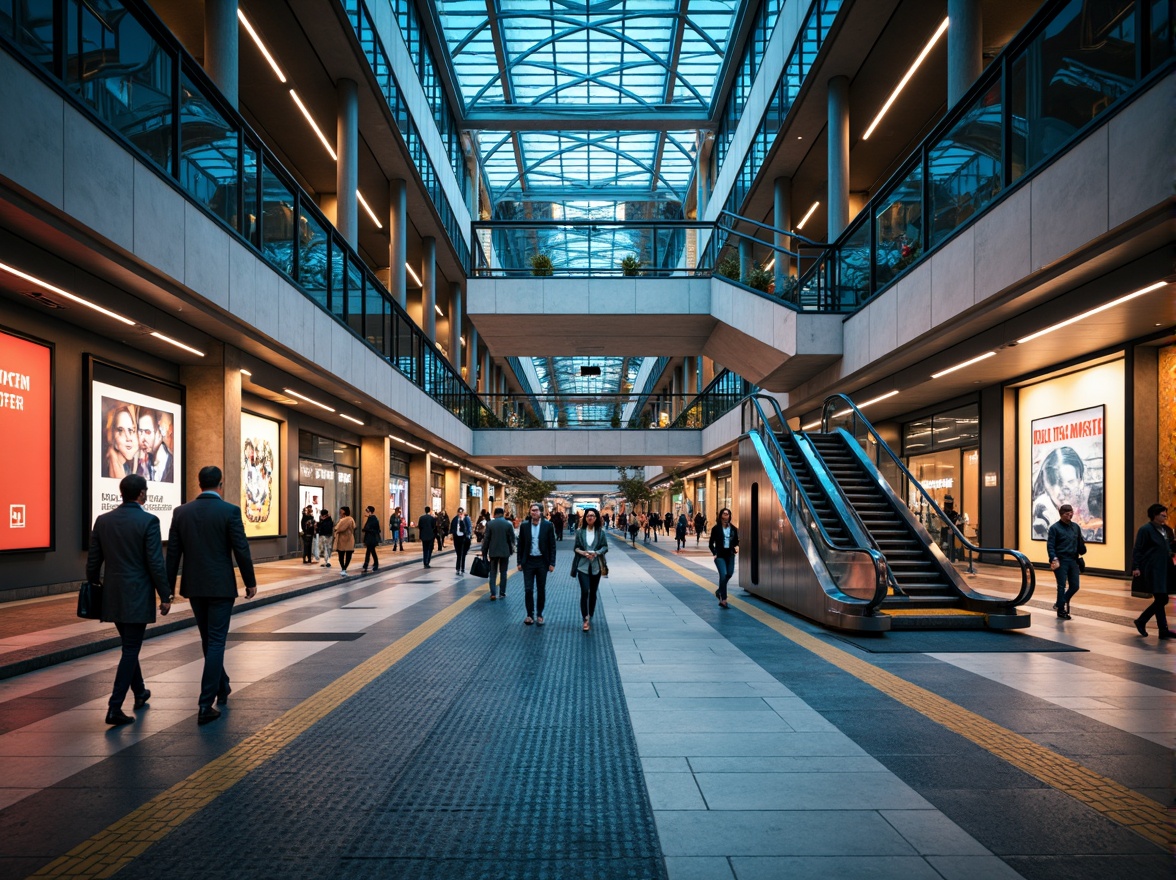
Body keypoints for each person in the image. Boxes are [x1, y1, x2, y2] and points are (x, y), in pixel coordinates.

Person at [166, 465, 256, 725]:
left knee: (208, 638)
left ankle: (223, 685)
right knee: (216, 641)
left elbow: (173, 555)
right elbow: (241, 549)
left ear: (199, 483)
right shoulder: (230, 511)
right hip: (221, 587)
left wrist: (167, 591)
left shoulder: (181, 512)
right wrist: (250, 582)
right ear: (221, 483)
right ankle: (205, 704)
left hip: (194, 586)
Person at [87, 473, 172, 725]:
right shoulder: (149, 521)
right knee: (131, 648)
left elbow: (93, 562)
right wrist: (164, 593)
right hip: (137, 595)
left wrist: (95, 584)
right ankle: (114, 707)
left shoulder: (103, 521)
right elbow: (155, 562)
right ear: (142, 494)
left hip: (112, 594)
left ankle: (140, 691)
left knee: (128, 644)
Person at [1131, 503, 1174, 639]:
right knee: (1162, 598)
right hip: (1153, 568)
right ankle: (1141, 621)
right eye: (1162, 514)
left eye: (1165, 513)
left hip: (1165, 567)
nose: (1165, 516)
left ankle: (1163, 630)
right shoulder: (1146, 529)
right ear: (1155, 515)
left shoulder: (1166, 529)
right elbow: (1138, 549)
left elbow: (1170, 546)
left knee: (1161, 598)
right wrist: (1136, 567)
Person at [517, 502, 557, 625]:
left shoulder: (548, 525)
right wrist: (519, 562)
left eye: (536, 510)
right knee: (528, 589)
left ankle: (539, 614)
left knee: (541, 589)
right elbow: (521, 545)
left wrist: (552, 563)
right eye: (532, 510)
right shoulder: (524, 526)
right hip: (528, 561)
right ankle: (529, 614)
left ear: (541, 512)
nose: (534, 512)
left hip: (542, 562)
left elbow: (552, 546)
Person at [572, 507, 609, 632]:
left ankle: (591, 612)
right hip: (582, 566)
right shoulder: (579, 532)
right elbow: (576, 548)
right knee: (585, 591)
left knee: (593, 592)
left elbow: (605, 547)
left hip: (595, 566)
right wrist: (583, 552)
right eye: (588, 515)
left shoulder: (600, 532)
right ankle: (585, 618)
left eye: (592, 515)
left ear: (596, 517)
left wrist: (596, 553)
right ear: (585, 517)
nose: (590, 517)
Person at [1047, 503, 1083, 620]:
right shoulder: (1054, 528)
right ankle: (1061, 610)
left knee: (1075, 585)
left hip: (1073, 560)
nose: (1070, 516)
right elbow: (1050, 545)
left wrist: (1082, 548)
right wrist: (1053, 558)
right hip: (1060, 560)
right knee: (1061, 585)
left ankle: (1059, 603)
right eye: (1067, 514)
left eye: (1071, 513)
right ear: (1061, 515)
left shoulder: (1075, 527)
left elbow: (1080, 542)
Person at [708, 508, 740, 609]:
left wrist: (737, 547)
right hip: (720, 556)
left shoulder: (734, 529)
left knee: (729, 573)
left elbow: (736, 542)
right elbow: (710, 543)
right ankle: (724, 599)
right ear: (721, 515)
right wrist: (714, 553)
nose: (726, 515)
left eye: (728, 514)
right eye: (724, 513)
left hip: (730, 555)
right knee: (723, 575)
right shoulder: (716, 529)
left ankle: (719, 591)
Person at [482, 507, 516, 600]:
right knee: (503, 572)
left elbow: (486, 539)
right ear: (503, 514)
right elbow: (512, 538)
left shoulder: (490, 524)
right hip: (505, 552)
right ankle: (502, 592)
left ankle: (493, 593)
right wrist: (511, 548)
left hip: (493, 552)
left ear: (495, 514)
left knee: (493, 573)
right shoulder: (508, 524)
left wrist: (484, 551)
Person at [136, 410, 173, 482]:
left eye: (147, 432)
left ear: (159, 433)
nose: (142, 438)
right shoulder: (144, 463)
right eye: (140, 431)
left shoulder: (172, 465)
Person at [104, 403, 138, 479]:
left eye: (131, 430)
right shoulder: (111, 467)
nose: (128, 437)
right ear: (112, 436)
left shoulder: (130, 466)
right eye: (120, 430)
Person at [334, 506, 356, 576]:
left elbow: (338, 528)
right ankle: (343, 568)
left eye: (341, 510)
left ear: (345, 511)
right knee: (341, 554)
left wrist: (337, 530)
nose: (340, 512)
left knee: (347, 554)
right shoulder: (343, 519)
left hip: (347, 538)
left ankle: (344, 568)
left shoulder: (348, 519)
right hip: (342, 539)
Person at [450, 506, 473, 575]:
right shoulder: (455, 519)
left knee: (463, 554)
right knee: (458, 554)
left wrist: (468, 535)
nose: (460, 514)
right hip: (457, 538)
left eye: (461, 513)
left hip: (464, 538)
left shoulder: (466, 519)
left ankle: (462, 567)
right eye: (459, 513)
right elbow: (452, 527)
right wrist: (452, 534)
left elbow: (468, 528)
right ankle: (458, 568)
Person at [361, 505, 382, 573]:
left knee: (369, 551)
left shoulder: (372, 519)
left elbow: (368, 528)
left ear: (370, 511)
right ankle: (375, 563)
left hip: (371, 538)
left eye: (367, 511)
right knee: (372, 551)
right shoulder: (372, 518)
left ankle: (366, 565)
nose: (365, 513)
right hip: (371, 538)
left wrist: (366, 529)